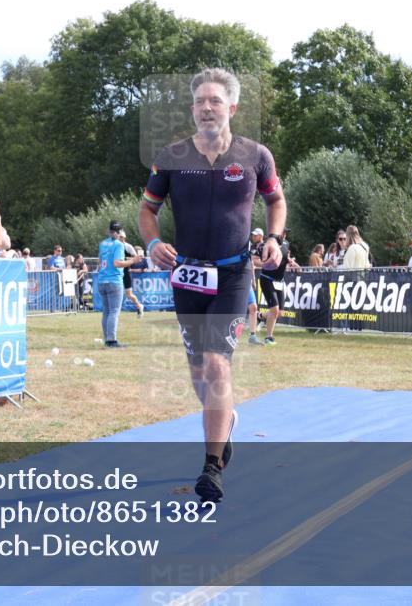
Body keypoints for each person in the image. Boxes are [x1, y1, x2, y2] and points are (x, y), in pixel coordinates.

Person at [139, 68, 286, 504]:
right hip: (186, 273)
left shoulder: (256, 155)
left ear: (232, 108)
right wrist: (152, 243)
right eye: (200, 101)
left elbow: (275, 200)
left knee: (219, 365)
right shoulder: (171, 157)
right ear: (192, 109)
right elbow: (148, 210)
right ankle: (225, 421)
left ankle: (211, 468)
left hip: (234, 272)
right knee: (199, 373)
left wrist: (274, 239)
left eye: (215, 101)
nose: (207, 107)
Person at [97, 221, 139, 347]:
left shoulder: (102, 243)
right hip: (114, 281)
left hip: (102, 280)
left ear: (109, 230)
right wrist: (133, 260)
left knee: (106, 311)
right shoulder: (119, 245)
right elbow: (117, 263)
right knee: (114, 312)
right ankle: (111, 340)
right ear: (120, 232)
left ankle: (107, 339)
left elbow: (100, 260)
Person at [256, 227, 294, 345]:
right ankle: (269, 338)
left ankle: (261, 316)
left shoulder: (286, 244)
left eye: (286, 232)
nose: (285, 234)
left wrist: (291, 262)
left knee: (280, 312)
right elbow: (255, 260)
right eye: (283, 232)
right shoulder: (266, 245)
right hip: (267, 279)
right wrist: (264, 263)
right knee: (274, 310)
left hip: (279, 282)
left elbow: (285, 257)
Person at [119, 229, 145, 318]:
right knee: (115, 292)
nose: (120, 239)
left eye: (122, 237)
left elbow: (137, 259)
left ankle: (139, 306)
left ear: (125, 238)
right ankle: (114, 312)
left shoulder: (128, 247)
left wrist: (126, 260)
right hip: (116, 273)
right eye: (119, 237)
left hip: (125, 272)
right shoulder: (114, 247)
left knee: (129, 294)